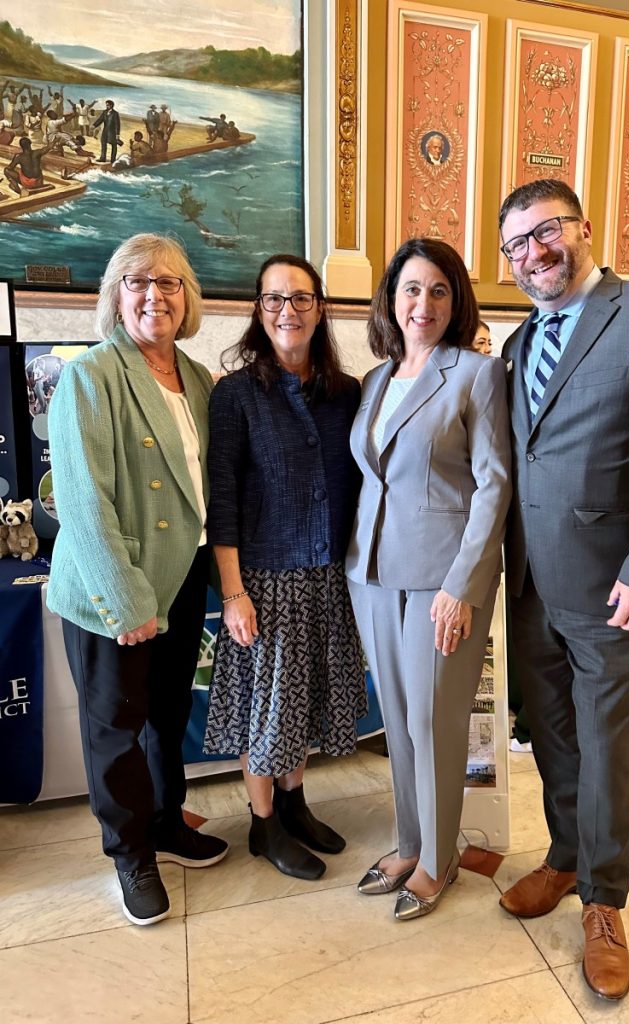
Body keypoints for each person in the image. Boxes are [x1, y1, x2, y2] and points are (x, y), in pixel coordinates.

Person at [497, 179, 629, 1000]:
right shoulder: (519, 340)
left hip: (612, 588)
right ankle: (565, 855)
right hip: (530, 584)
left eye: (546, 231)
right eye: (517, 245)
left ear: (583, 227)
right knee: (552, 734)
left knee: (606, 743)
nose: (534, 253)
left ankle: (604, 901)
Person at [47, 234, 228, 928]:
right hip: (115, 587)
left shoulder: (199, 378)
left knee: (169, 716)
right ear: (116, 297)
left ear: (188, 297)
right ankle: (131, 853)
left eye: (169, 282)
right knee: (116, 727)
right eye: (138, 282)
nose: (155, 295)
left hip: (180, 578)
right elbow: (84, 501)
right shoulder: (91, 376)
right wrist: (123, 600)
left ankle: (165, 823)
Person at [346, 237, 511, 921]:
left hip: (442, 581)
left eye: (439, 290)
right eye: (411, 289)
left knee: (435, 722)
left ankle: (439, 861)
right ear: (391, 299)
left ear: (456, 301)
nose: (424, 303)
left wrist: (463, 586)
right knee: (398, 720)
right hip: (371, 573)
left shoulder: (476, 374)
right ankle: (411, 843)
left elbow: (494, 485)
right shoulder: (376, 380)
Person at [203, 254, 366, 881]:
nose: (287, 311)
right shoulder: (236, 394)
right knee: (267, 707)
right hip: (266, 579)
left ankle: (296, 804)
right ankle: (263, 820)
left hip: (329, 574)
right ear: (258, 309)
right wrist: (233, 592)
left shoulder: (345, 393)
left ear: (320, 308)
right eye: (273, 299)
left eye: (300, 298)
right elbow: (222, 498)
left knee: (306, 701)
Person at [93, 99, 121, 163]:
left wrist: (117, 134)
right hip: (105, 131)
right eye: (106, 105)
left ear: (111, 105)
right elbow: (100, 120)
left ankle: (113, 159)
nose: (106, 106)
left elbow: (117, 124)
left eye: (108, 105)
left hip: (112, 133)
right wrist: (94, 125)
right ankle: (103, 158)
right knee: (103, 143)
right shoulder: (104, 112)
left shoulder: (115, 113)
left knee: (114, 145)